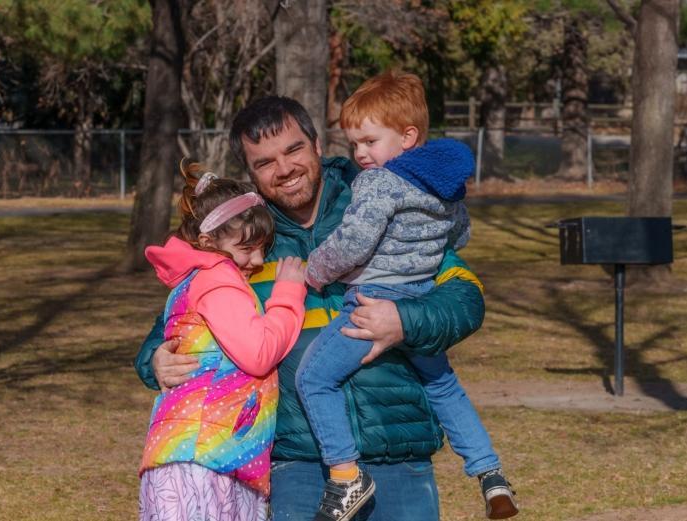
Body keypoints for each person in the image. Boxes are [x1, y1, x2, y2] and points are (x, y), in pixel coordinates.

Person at [134, 95, 486, 521]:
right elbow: (179, 316)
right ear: (250, 172)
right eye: (264, 162)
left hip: (396, 452)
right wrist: (156, 359)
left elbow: (465, 297)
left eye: (293, 149)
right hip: (299, 465)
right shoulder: (244, 242)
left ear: (317, 145)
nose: (283, 169)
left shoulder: (384, 199)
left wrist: (404, 321)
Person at [297, 71, 518, 521]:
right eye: (353, 143)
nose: (360, 154)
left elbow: (353, 244)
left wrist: (313, 272)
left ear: (408, 137)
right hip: (420, 293)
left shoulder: (378, 183)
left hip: (373, 299)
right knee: (442, 384)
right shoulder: (443, 186)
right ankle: (489, 471)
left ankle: (345, 477)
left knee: (313, 379)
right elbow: (461, 233)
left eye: (369, 141)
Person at [137, 161, 307, 521]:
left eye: (263, 248)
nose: (258, 260)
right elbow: (258, 354)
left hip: (207, 453)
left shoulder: (199, 278)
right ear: (208, 242)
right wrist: (289, 294)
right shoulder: (217, 279)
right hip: (205, 458)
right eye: (246, 249)